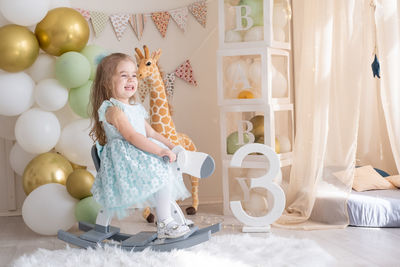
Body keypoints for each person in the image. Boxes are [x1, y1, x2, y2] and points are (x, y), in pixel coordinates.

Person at [89, 53, 191, 239]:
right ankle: (165, 222)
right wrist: (160, 151)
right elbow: (132, 136)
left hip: (139, 153)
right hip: (125, 160)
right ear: (106, 82)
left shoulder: (135, 108)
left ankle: (167, 219)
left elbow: (150, 133)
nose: (131, 79)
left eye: (134, 75)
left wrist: (171, 144)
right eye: (123, 75)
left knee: (166, 171)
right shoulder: (113, 110)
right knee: (161, 170)